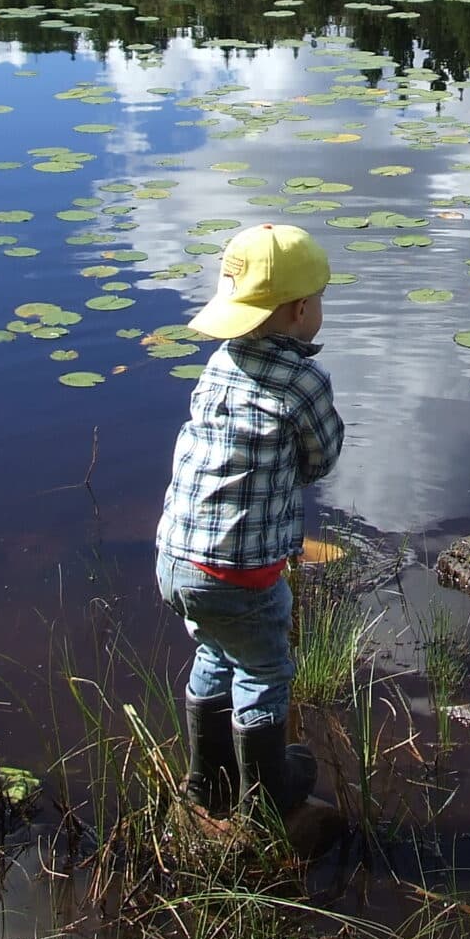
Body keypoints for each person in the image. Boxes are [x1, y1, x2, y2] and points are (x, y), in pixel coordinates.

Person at [155, 222, 344, 821]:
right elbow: (322, 457)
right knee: (264, 669)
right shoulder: (304, 379)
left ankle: (205, 784)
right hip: (238, 573)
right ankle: (268, 800)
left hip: (177, 559)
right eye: (318, 300)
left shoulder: (219, 363)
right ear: (300, 310)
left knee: (215, 651)